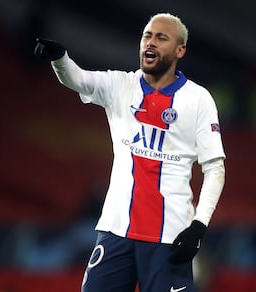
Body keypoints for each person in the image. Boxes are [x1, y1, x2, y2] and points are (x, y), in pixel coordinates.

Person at [34, 13, 225, 292]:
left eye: (162, 38)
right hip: (116, 231)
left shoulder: (198, 99)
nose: (151, 42)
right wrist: (60, 59)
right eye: (147, 35)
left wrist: (199, 226)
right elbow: (78, 79)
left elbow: (215, 168)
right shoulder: (120, 85)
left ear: (179, 50)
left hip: (170, 236)